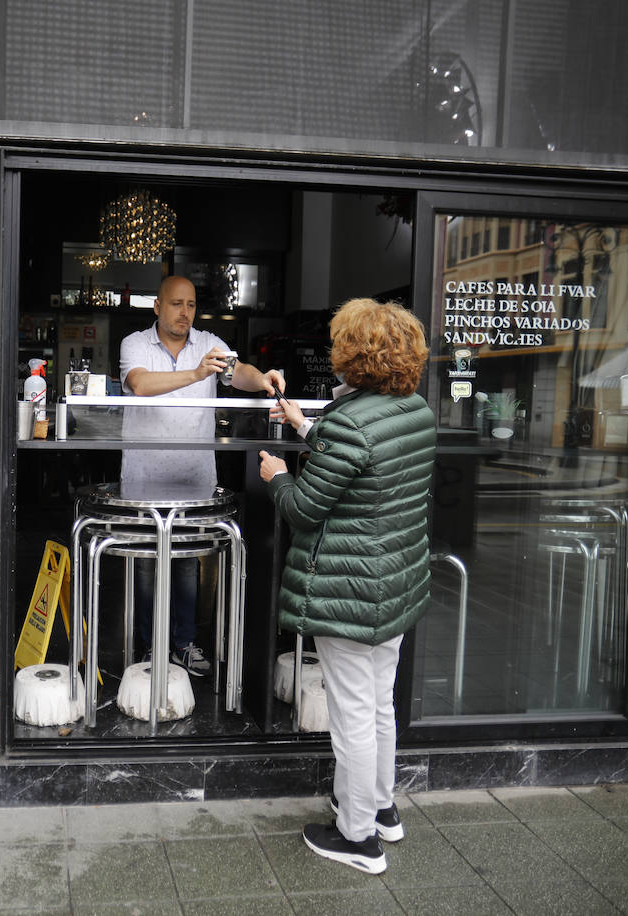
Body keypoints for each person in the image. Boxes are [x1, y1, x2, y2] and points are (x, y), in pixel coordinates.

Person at [258, 298, 435, 875]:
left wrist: (279, 477)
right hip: (394, 586)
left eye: (341, 343)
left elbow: (308, 509)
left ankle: (358, 838)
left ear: (355, 355)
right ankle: (381, 808)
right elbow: (364, 463)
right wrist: (306, 427)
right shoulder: (413, 411)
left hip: (351, 590)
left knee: (353, 714)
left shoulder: (350, 422)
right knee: (378, 702)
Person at [120, 274, 285, 676]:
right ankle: (146, 648)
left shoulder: (210, 344)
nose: (185, 312)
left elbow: (238, 370)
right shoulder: (135, 344)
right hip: (143, 478)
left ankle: (183, 644)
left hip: (195, 477)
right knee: (144, 566)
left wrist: (260, 379)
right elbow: (139, 384)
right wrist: (196, 374)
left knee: (188, 564)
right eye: (176, 304)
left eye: (191, 304)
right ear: (157, 307)